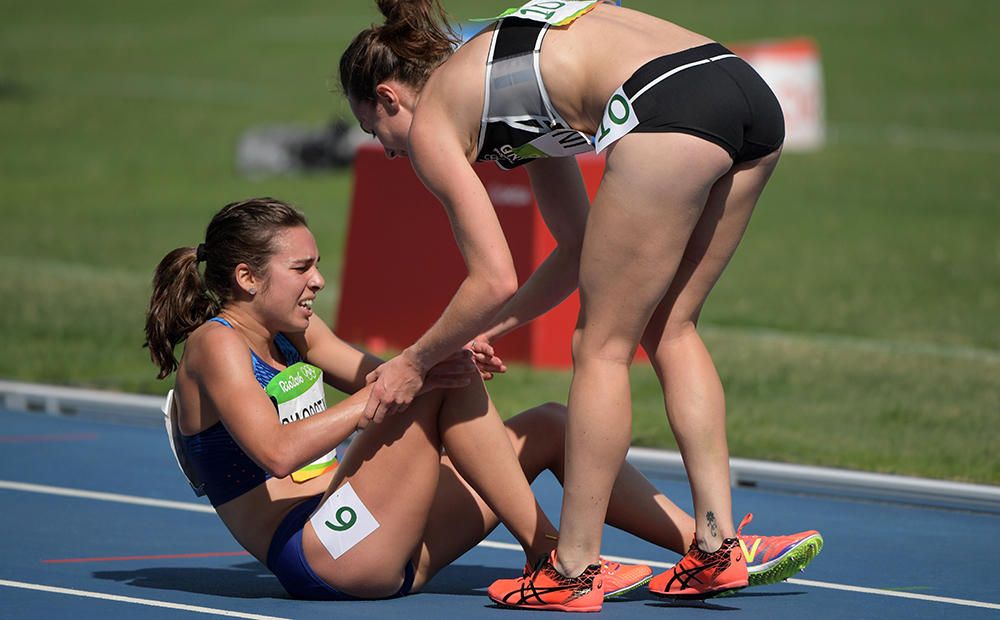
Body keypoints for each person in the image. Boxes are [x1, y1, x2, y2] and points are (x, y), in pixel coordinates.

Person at [340, 0, 796, 610]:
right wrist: (489, 331)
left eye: (377, 129)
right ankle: (716, 548)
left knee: (600, 347)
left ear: (389, 97)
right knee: (670, 327)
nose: (389, 151)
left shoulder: (435, 123)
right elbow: (579, 247)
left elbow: (490, 277)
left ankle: (574, 568)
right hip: (744, 89)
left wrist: (412, 362)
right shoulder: (503, 81)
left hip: (668, 104)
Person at [143, 197, 820, 605]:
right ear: (245, 277)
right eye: (302, 268)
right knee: (432, 376)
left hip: (377, 533)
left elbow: (385, 375)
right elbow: (279, 449)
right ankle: (558, 562)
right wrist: (416, 375)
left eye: (317, 263)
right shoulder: (217, 347)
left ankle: (713, 548)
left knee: (552, 426)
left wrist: (435, 363)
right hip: (319, 553)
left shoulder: (297, 328)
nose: (320, 279)